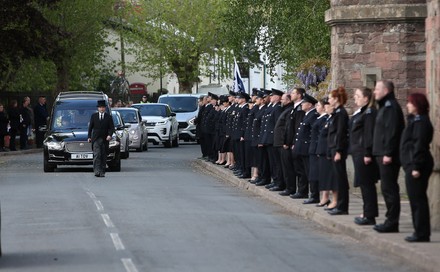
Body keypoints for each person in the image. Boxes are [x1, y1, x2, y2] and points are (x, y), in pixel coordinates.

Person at [400, 93, 433, 242]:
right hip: (411, 163)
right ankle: (418, 231)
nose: (407, 105)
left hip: (417, 164)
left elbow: (419, 145)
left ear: (417, 105)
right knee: (415, 199)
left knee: (418, 200)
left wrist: (416, 166)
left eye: (410, 103)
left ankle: (421, 233)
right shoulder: (415, 120)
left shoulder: (421, 122)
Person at [372, 80, 405, 233]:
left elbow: (392, 133)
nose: (374, 92)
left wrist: (388, 153)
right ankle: (390, 220)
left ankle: (392, 222)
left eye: (377, 89)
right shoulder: (385, 105)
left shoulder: (390, 107)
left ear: (386, 90)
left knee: (389, 189)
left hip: (387, 155)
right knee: (386, 189)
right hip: (382, 153)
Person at [350, 87, 379, 225]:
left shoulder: (369, 112)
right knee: (363, 184)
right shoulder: (361, 112)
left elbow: (368, 134)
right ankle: (366, 212)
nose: (355, 98)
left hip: (363, 153)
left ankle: (370, 215)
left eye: (357, 96)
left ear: (366, 98)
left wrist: (367, 153)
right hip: (358, 152)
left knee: (367, 184)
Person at [327, 87, 350, 215]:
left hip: (337, 149)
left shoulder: (341, 113)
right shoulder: (337, 112)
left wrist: (338, 151)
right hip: (334, 148)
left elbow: (341, 133)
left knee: (341, 179)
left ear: (336, 99)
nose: (329, 100)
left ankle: (342, 206)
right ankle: (340, 205)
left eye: (330, 97)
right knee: (338, 178)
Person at [88, 100, 115, 178]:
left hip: (105, 139)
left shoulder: (108, 117)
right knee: (97, 155)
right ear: (98, 108)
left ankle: (102, 171)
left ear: (105, 108)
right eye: (100, 107)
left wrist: (110, 135)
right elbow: (90, 128)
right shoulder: (94, 116)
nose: (102, 109)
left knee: (103, 155)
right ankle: (97, 171)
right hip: (96, 138)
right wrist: (89, 137)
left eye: (103, 107)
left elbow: (111, 128)